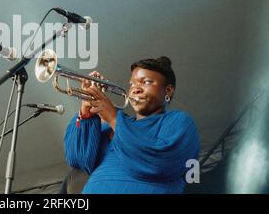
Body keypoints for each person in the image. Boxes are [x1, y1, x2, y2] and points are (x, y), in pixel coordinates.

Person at [64, 56, 200, 194]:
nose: (135, 89)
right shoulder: (110, 126)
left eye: (146, 82)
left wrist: (113, 118)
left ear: (168, 90)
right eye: (132, 84)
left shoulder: (178, 121)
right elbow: (78, 160)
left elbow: (159, 164)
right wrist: (86, 114)